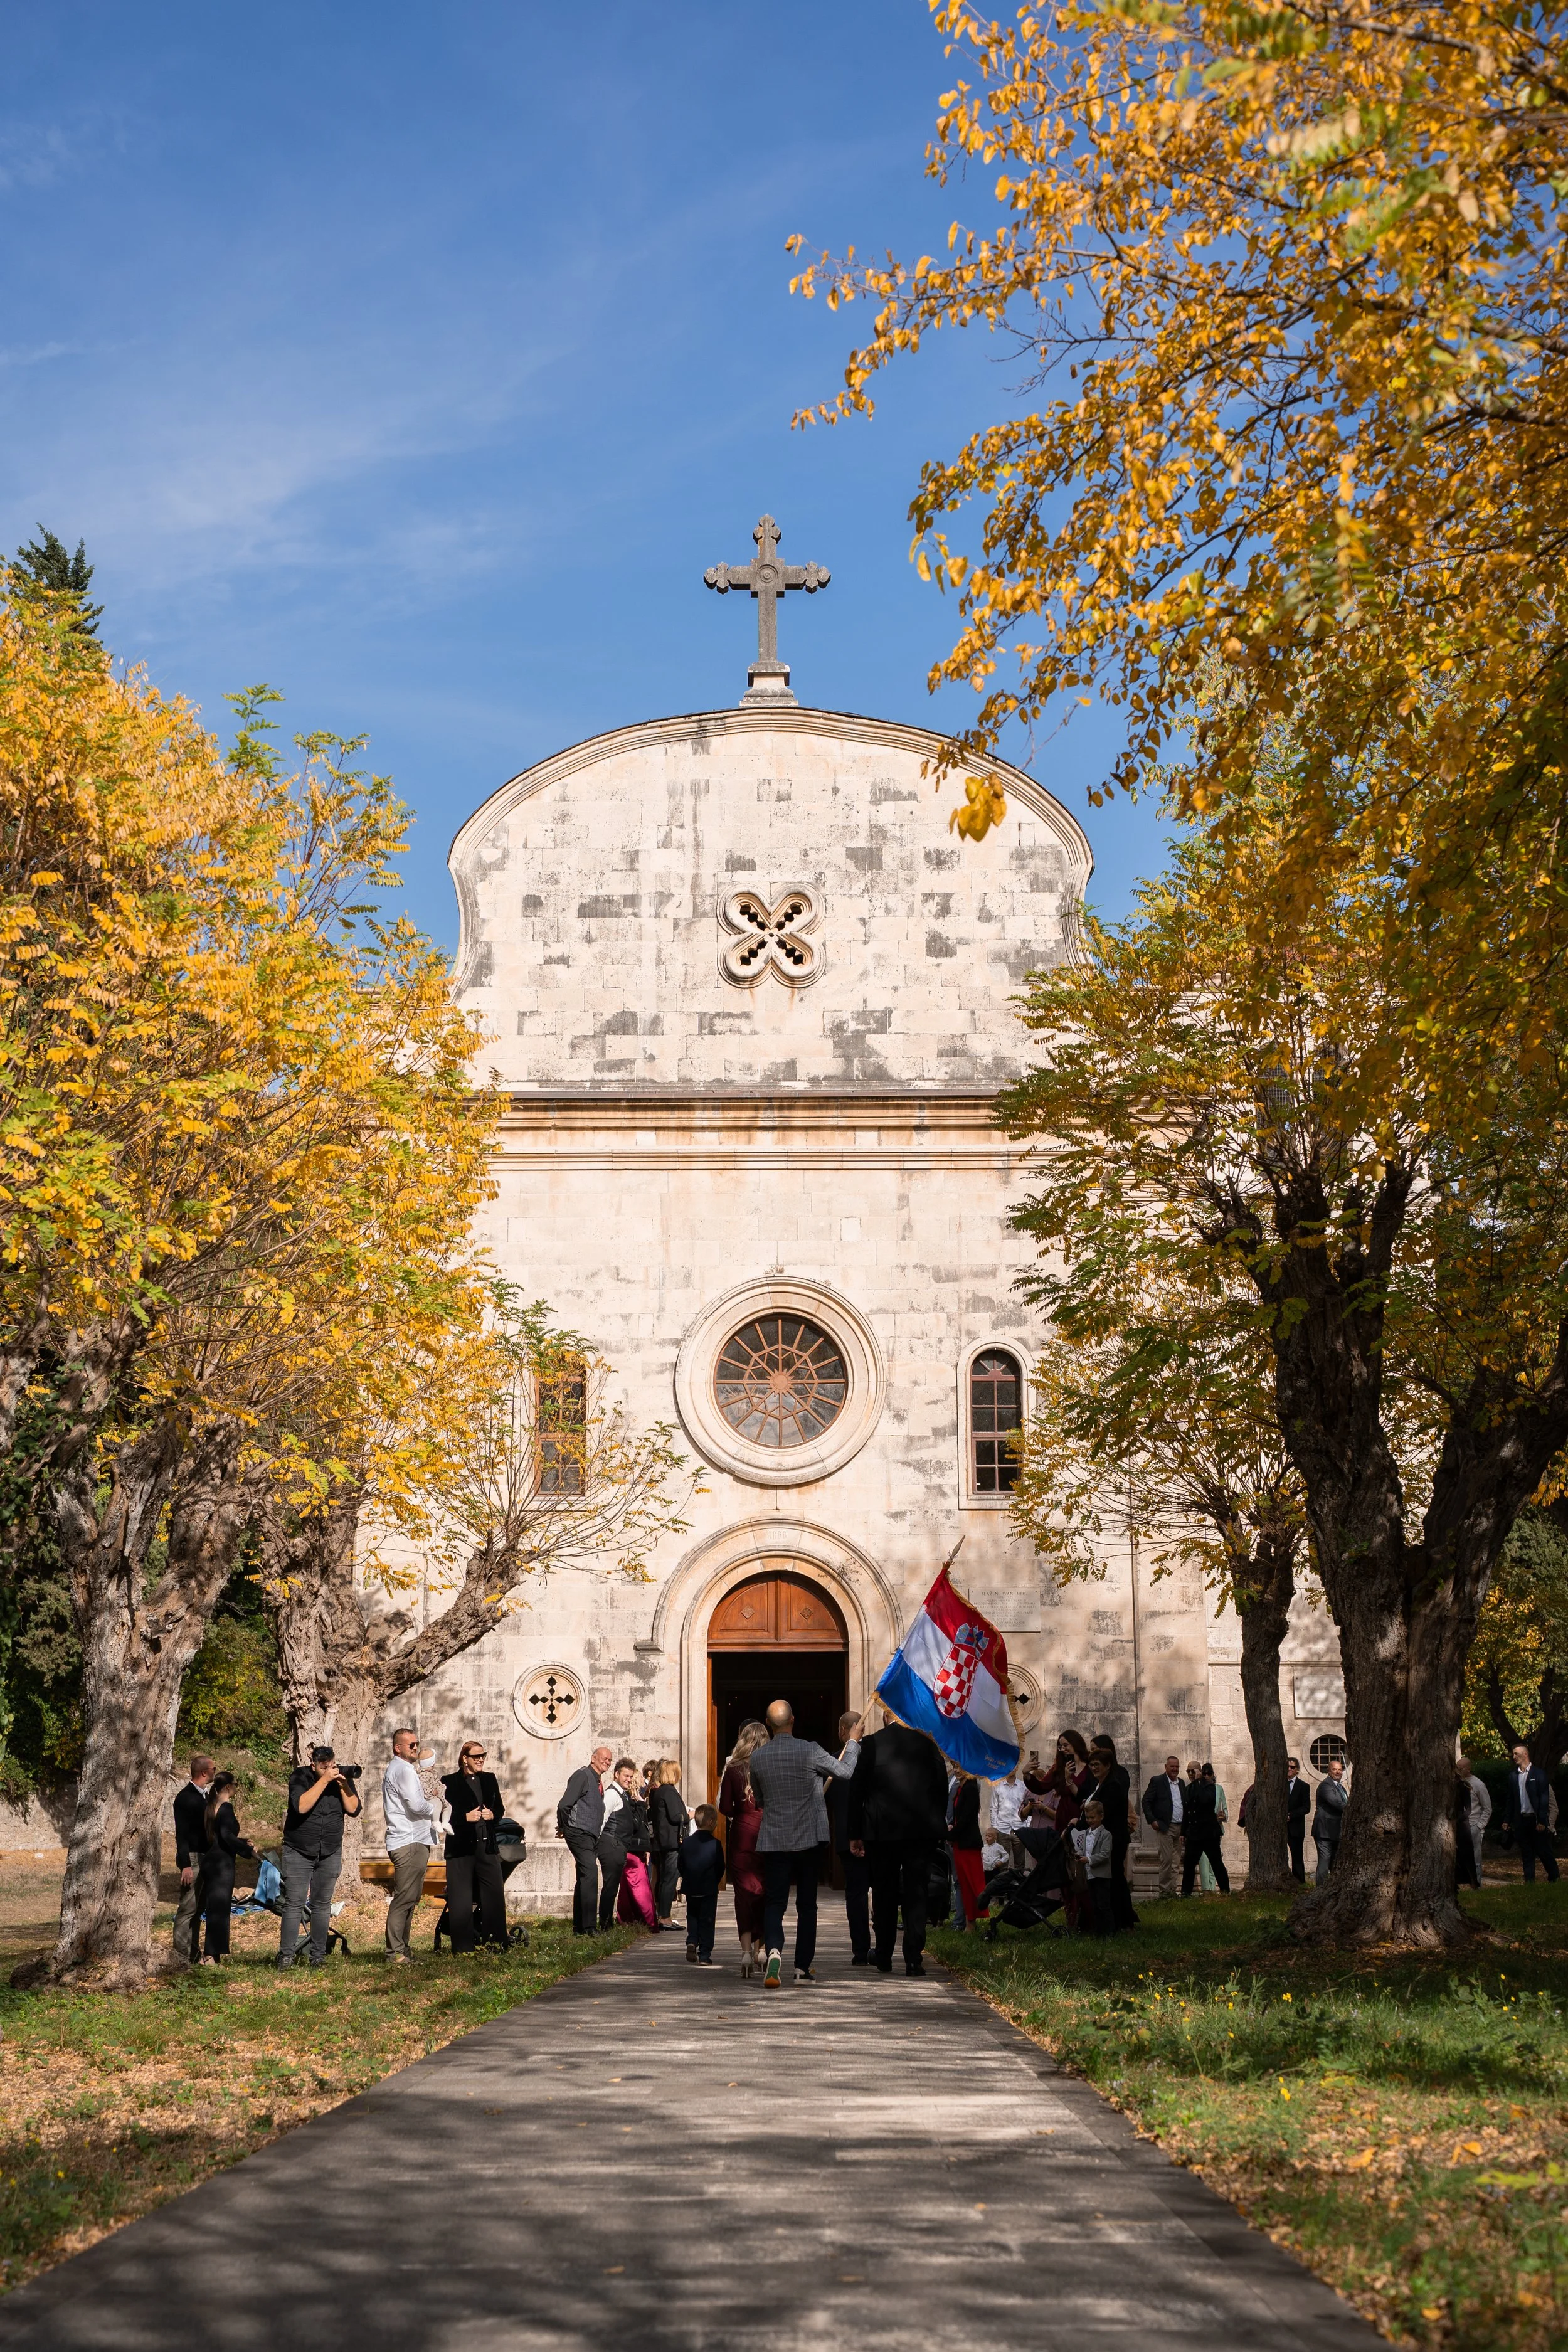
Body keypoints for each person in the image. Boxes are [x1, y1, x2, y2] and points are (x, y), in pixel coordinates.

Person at [748, 1698, 861, 1989]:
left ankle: (774, 1949)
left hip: (774, 1838)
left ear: (769, 1724)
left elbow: (759, 1799)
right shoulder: (810, 1750)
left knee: (775, 1902)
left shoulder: (758, 1759)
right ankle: (802, 1966)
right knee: (807, 1905)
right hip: (809, 1838)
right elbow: (844, 1771)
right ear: (793, 1720)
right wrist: (854, 1743)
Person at [847, 1714, 949, 1977]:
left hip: (882, 1832)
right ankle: (913, 1959)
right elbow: (941, 1787)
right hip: (920, 1832)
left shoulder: (871, 1744)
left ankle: (883, 1955)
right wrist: (937, 1824)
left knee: (884, 1893)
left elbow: (856, 1791)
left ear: (884, 1718)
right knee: (917, 1893)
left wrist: (854, 1833)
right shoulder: (928, 1744)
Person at [278, 1744, 362, 1968]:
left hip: (330, 1850)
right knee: (294, 1904)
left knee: (322, 1905)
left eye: (331, 1766)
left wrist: (344, 1784)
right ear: (313, 1764)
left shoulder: (340, 1778)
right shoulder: (300, 1776)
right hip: (299, 1850)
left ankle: (318, 1955)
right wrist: (324, 1780)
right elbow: (300, 1807)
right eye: (324, 1767)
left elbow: (354, 1809)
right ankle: (286, 1956)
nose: (329, 1770)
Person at [441, 1739, 509, 1952]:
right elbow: (443, 1815)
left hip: (487, 1846)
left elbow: (500, 1808)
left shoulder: (489, 1779)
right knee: (460, 1897)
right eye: (476, 1756)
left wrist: (493, 1815)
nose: (480, 1760)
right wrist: (464, 1817)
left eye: (483, 1756)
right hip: (460, 1847)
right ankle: (462, 1947)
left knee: (494, 1893)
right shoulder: (449, 1781)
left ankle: (495, 1942)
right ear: (465, 1759)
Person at [382, 1726, 439, 1964]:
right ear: (398, 1748)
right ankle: (394, 1952)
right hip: (408, 1841)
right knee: (405, 1897)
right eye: (411, 1745)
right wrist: (433, 1806)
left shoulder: (403, 1769)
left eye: (417, 1744)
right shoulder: (403, 1771)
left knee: (411, 1897)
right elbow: (416, 1805)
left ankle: (402, 1949)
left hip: (414, 1839)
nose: (416, 1748)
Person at [718, 1727, 768, 1972]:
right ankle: (762, 1950)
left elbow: (725, 1807)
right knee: (765, 1892)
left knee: (743, 1895)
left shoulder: (734, 1767)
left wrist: (741, 1810)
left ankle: (746, 1953)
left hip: (742, 1836)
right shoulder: (771, 1764)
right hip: (767, 1832)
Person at [194, 1773, 255, 1964]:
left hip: (211, 1861)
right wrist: (248, 1850)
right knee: (219, 1910)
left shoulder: (211, 1806)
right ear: (228, 1787)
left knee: (214, 1908)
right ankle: (210, 1955)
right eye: (235, 1784)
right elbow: (227, 1836)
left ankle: (213, 1953)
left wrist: (243, 1841)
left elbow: (221, 1836)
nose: (237, 1787)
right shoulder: (226, 1807)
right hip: (222, 1865)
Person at [827, 1710, 872, 1966]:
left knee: (855, 1895)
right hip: (874, 1835)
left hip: (848, 1836)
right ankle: (883, 1946)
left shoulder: (835, 1763)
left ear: (844, 1731)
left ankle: (861, 1951)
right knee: (882, 1890)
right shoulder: (874, 1757)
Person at [556, 1744, 613, 1935]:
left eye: (610, 1760)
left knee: (584, 1877)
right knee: (590, 1873)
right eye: (604, 1758)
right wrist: (564, 1827)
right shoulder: (583, 1776)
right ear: (593, 1759)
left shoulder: (597, 1780)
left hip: (590, 1835)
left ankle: (579, 1927)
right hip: (579, 1833)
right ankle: (589, 1927)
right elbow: (564, 1805)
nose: (607, 1762)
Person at [172, 1752, 216, 1966]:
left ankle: (193, 1953)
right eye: (213, 1770)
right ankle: (180, 1958)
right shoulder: (185, 1798)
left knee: (198, 1909)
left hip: (206, 1857)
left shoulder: (205, 1796)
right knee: (187, 1909)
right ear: (204, 1773)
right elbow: (181, 1834)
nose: (215, 1772)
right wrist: (186, 1865)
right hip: (192, 1859)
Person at [1088, 1739, 1136, 1928]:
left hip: (1113, 1839)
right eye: (1091, 1765)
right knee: (1112, 1880)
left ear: (1107, 1766)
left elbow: (1104, 1813)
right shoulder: (1101, 1784)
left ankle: (1125, 1921)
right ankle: (1116, 1920)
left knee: (1116, 1879)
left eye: (1097, 1765)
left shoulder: (1113, 1784)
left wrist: (1086, 1819)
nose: (1093, 1768)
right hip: (1105, 1839)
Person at [603, 1757, 656, 1929]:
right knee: (611, 1887)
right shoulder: (612, 1793)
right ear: (617, 1774)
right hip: (614, 1845)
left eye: (631, 1776)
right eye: (626, 1776)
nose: (628, 1779)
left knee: (616, 1888)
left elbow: (633, 1825)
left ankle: (613, 1923)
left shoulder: (624, 1796)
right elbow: (603, 1820)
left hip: (622, 1846)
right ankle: (605, 1926)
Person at [1501, 1742, 1559, 1883]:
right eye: (1513, 1754)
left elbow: (1544, 1800)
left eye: (1517, 1754)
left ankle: (1555, 1879)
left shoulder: (1539, 1774)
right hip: (1521, 1821)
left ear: (1525, 1754)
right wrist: (1507, 1820)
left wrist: (1542, 1821)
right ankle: (1529, 1883)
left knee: (1544, 1852)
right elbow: (1511, 1800)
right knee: (1527, 1853)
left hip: (1536, 1820)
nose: (1514, 1756)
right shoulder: (1513, 1776)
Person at [679, 1804, 725, 1964]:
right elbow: (721, 1867)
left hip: (691, 1887)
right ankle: (705, 1954)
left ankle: (692, 1940)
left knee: (692, 1916)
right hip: (708, 1888)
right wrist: (715, 1881)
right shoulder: (716, 1844)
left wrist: (687, 1877)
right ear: (711, 1822)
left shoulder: (687, 1843)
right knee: (707, 1920)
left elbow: (681, 1865)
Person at [650, 1759, 689, 1929]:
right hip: (671, 1843)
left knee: (666, 1878)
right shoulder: (669, 1791)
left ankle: (663, 1915)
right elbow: (676, 1817)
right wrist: (690, 1815)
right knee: (670, 1879)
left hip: (663, 1842)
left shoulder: (659, 1791)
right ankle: (664, 1917)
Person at [1180, 1763, 1230, 1896]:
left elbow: (1205, 1800)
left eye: (1194, 1771)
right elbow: (1187, 1811)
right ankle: (1185, 1893)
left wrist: (1199, 1781)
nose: (1191, 1774)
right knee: (1189, 1865)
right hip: (1194, 1834)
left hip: (1209, 1833)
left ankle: (1226, 1891)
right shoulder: (1188, 1788)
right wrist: (1183, 1832)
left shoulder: (1210, 1787)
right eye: (1189, 1771)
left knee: (1216, 1863)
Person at [1141, 1754, 1185, 1900]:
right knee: (1166, 1861)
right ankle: (1165, 1894)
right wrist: (1152, 1820)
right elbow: (1146, 1801)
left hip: (1179, 1828)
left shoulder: (1182, 1783)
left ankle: (1172, 1891)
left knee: (1175, 1862)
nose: (1174, 1769)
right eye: (1172, 1766)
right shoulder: (1158, 1781)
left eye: (1177, 1766)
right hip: (1165, 1827)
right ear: (1166, 1767)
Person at [948, 1769, 986, 1926]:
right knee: (963, 1883)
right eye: (955, 1766)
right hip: (960, 1842)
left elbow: (966, 1819)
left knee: (972, 1884)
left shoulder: (971, 1788)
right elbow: (958, 1818)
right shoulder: (959, 1788)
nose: (957, 1770)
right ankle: (967, 1920)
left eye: (961, 1767)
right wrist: (951, 1826)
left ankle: (971, 1922)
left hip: (969, 1843)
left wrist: (950, 1835)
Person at [1071, 1798, 1113, 1936]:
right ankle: (1098, 1931)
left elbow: (1105, 1855)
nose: (1090, 1821)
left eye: (1093, 1818)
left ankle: (1109, 1932)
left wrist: (1088, 1859)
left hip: (1101, 1875)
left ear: (1101, 1817)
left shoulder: (1106, 1835)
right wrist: (1078, 1855)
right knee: (1094, 1905)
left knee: (1103, 1905)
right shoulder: (1087, 1833)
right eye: (1088, 1818)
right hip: (1089, 1875)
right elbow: (1084, 1849)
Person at [988, 1763, 1030, 1874]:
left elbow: (1028, 1808)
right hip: (1002, 1829)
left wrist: (1027, 1827)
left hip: (1020, 1829)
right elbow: (993, 1808)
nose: (1012, 1768)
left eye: (1015, 1766)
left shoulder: (1023, 1786)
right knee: (1002, 1864)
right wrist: (995, 1828)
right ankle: (1003, 1889)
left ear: (1017, 1768)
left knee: (1020, 1864)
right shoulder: (997, 1785)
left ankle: (1019, 1888)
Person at [1312, 1754, 1348, 1882]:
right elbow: (1337, 1804)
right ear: (1328, 1771)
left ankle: (1333, 1888)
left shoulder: (1341, 1787)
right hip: (1325, 1832)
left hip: (1336, 1831)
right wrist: (1353, 1810)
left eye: (1340, 1769)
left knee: (1335, 1861)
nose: (1338, 1772)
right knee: (1325, 1861)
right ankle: (1320, 1889)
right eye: (1334, 1769)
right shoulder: (1326, 1786)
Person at [1459, 1755, 1491, 1884]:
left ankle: (1477, 1884)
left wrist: (1479, 1826)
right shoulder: (1459, 1783)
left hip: (1473, 1825)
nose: (1458, 1771)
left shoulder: (1478, 1785)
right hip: (1461, 1825)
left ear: (1468, 1769)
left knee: (1475, 1857)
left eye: (1460, 1769)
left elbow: (1487, 1808)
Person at [1199, 1764, 1229, 1894]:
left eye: (1209, 1774)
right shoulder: (1198, 1789)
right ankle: (1207, 1889)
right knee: (1204, 1858)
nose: (1207, 1776)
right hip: (1201, 1829)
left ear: (1212, 1775)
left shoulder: (1219, 1789)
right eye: (1204, 1774)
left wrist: (1223, 1816)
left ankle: (1217, 1887)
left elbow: (1225, 1810)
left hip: (1216, 1829)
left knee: (1215, 1859)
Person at [1453, 1762, 1479, 1891]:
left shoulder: (1463, 1787)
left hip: (1462, 1824)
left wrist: (1458, 1820)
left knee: (1467, 1854)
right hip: (1452, 1821)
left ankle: (1473, 1882)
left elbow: (1468, 1810)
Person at [1286, 1756, 1311, 1883]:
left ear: (1297, 1770)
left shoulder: (1303, 1786)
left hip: (1296, 1827)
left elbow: (1306, 1808)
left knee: (1297, 1857)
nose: (1289, 1769)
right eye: (1287, 1766)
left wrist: (1291, 1815)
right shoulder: (1277, 1785)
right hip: (1281, 1828)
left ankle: (1300, 1881)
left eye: (1292, 1767)